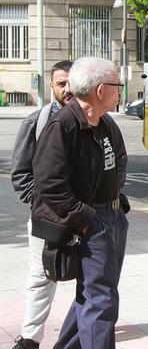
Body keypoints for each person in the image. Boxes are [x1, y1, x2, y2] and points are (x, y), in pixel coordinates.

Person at [31, 57, 129, 349]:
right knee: (101, 301)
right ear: (100, 90)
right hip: (90, 223)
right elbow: (49, 183)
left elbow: (119, 162)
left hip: (112, 218)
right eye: (117, 85)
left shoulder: (105, 123)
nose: (120, 91)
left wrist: (117, 207)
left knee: (95, 294)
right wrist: (84, 220)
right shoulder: (62, 125)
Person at [9, 61, 73, 349]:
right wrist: (39, 202)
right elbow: (21, 172)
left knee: (91, 275)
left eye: (72, 83)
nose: (67, 89)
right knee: (41, 276)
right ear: (51, 85)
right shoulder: (36, 122)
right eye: (61, 83)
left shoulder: (95, 120)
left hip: (84, 216)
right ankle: (30, 338)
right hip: (47, 218)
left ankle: (83, 328)